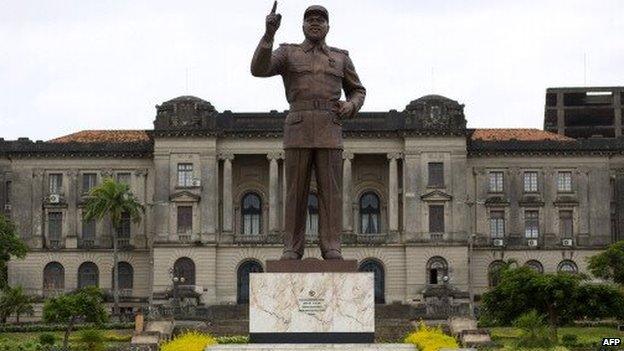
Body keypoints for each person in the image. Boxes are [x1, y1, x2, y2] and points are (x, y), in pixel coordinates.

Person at [251, 2, 366, 260]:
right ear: (303, 25)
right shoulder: (288, 53)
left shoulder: (340, 57)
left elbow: (358, 90)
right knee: (295, 192)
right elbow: (258, 69)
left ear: (328, 26)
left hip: (330, 127)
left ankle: (332, 246)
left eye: (320, 20)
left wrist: (351, 105)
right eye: (310, 19)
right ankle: (291, 247)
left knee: (331, 192)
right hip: (299, 127)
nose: (315, 23)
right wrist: (269, 34)